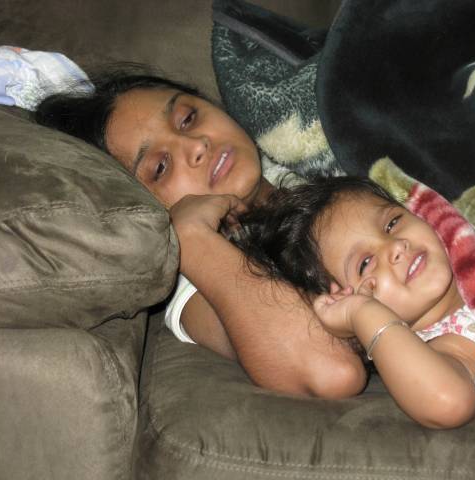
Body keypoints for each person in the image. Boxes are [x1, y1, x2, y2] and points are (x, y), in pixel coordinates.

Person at [35, 65, 367, 398]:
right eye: (160, 167)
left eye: (187, 119)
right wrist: (192, 238)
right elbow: (331, 370)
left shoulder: (301, 150)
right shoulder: (192, 285)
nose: (196, 145)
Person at [233, 175, 475, 428]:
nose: (395, 247)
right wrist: (364, 314)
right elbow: (448, 402)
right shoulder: (450, 345)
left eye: (392, 223)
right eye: (365, 264)